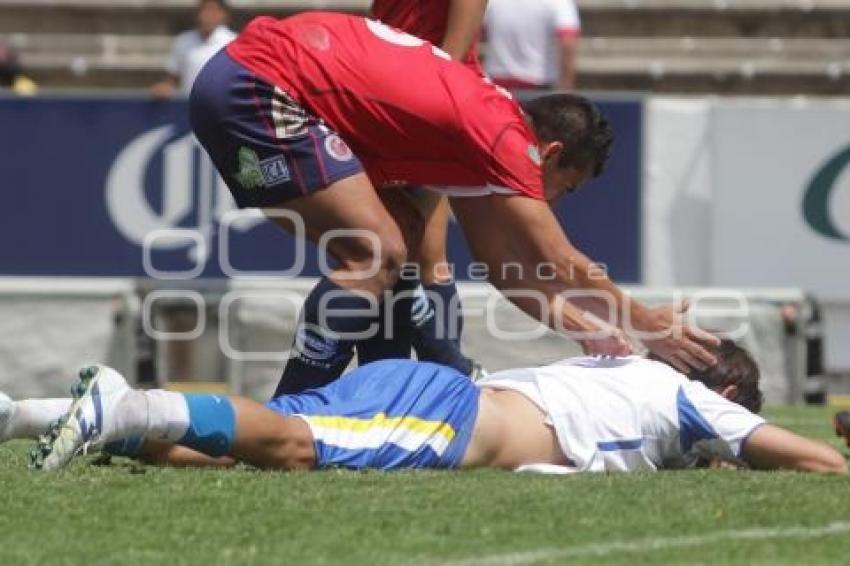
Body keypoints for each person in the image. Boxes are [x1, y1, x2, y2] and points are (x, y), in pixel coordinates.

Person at [188, 11, 718, 398]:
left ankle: (363, 401)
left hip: (264, 73)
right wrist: (646, 321)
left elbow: (506, 272)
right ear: (550, 152)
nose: (553, 200)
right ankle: (291, 413)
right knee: (379, 251)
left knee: (404, 232)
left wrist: (586, 328)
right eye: (565, 187)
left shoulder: (484, 135)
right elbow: (556, 259)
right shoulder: (505, 138)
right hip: (258, 83)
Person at [14, 341, 845, 474]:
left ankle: (25, 412)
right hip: (447, 419)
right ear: (727, 391)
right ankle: (123, 408)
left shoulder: (621, 366)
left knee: (249, 456)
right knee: (294, 445)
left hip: (435, 394)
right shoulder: (693, 397)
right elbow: (814, 458)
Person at [358, 0, 488, 378]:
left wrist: (436, 83)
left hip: (420, 93)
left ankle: (428, 377)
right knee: (409, 250)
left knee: (398, 249)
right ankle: (416, 379)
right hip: (391, 86)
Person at [483, 0, 581, 90]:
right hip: (538, 83)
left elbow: (476, 33)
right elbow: (567, 43)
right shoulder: (559, 2)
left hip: (496, 80)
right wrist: (566, 87)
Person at [150, 0, 236, 98]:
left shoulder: (233, 42)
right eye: (204, 10)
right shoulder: (183, 41)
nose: (208, 15)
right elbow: (172, 78)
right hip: (188, 106)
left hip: (221, 106)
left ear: (224, 14)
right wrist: (164, 88)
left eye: (213, 10)